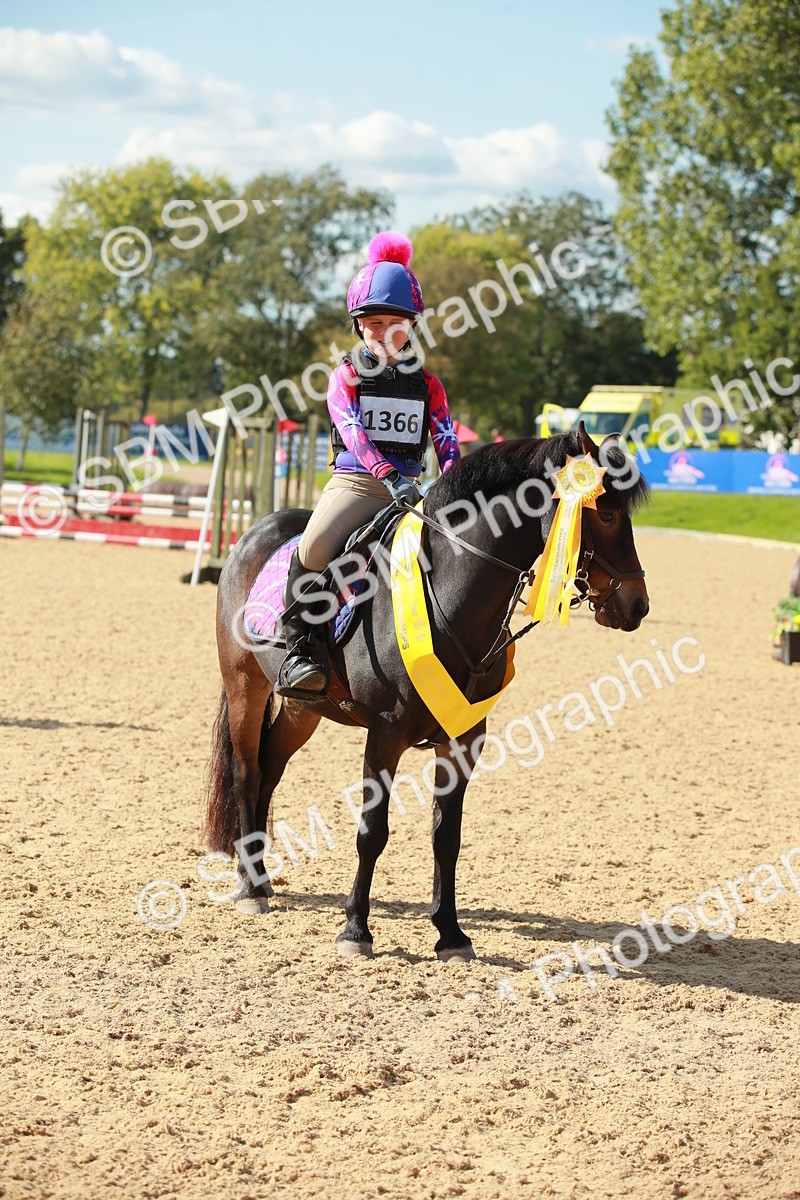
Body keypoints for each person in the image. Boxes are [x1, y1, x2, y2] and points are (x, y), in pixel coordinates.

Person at [277, 230, 460, 696]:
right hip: (358, 486)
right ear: (359, 326)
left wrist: (455, 485)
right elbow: (353, 433)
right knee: (314, 547)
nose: (383, 332)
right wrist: (388, 476)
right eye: (373, 322)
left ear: (411, 325)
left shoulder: (429, 385)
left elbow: (445, 439)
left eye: (394, 323)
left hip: (414, 492)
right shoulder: (346, 376)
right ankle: (298, 648)